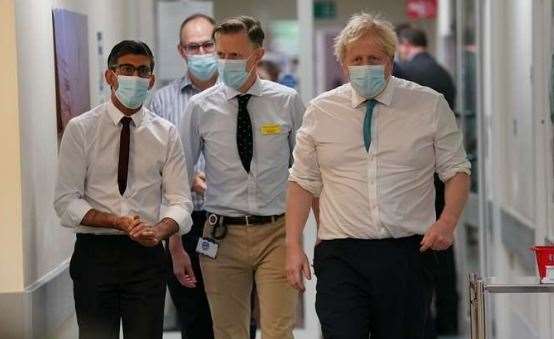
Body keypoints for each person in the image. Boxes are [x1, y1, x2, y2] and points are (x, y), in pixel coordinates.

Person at [285, 13, 471, 339]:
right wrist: (293, 245)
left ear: (391, 59)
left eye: (375, 58)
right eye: (357, 59)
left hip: (408, 254)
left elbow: (456, 170)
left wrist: (447, 222)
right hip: (341, 254)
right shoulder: (320, 111)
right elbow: (302, 181)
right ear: (343, 64)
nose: (366, 65)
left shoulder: (427, 105)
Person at [54, 40, 193, 339]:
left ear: (152, 80)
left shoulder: (166, 133)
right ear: (110, 76)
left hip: (145, 256)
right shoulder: (82, 129)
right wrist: (115, 221)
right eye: (126, 69)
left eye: (143, 71)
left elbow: (181, 201)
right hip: (95, 256)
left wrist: (158, 231)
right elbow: (66, 201)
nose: (135, 77)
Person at [181, 16, 305, 339]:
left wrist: (304, 236)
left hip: (276, 232)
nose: (226, 62)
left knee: (279, 330)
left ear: (257, 55)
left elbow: (306, 172)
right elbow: (179, 173)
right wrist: (174, 242)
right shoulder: (200, 107)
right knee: (229, 332)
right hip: (221, 235)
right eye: (221, 54)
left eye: (235, 56)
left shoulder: (286, 102)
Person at [149, 13, 218, 339]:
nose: (202, 53)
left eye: (208, 44)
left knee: (234, 321)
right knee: (194, 320)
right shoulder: (163, 101)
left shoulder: (236, 96)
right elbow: (153, 169)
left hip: (230, 222)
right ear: (181, 51)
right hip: (184, 225)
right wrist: (185, 178)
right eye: (194, 47)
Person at [396, 26, 460, 337]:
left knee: (420, 248)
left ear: (404, 45)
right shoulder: (443, 73)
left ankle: (425, 318)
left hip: (417, 177)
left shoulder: (407, 75)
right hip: (442, 175)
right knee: (443, 247)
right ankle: (447, 316)